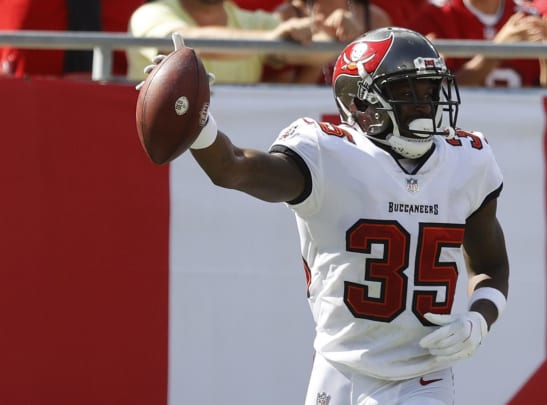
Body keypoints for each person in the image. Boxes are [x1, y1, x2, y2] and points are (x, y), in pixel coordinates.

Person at [143, 27, 510, 404]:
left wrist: (479, 318)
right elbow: (232, 168)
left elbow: (491, 266)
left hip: (422, 378)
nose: (424, 104)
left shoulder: (468, 160)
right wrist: (197, 122)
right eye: (406, 92)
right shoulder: (328, 155)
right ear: (359, 102)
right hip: (337, 369)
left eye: (429, 91)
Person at [126, 0, 321, 84]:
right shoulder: (150, 13)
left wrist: (344, 26)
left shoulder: (254, 22)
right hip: (166, 150)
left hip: (233, 151)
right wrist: (269, 40)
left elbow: (322, 51)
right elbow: (176, 44)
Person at [407, 0, 547, 88]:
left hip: (521, 133)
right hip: (462, 134)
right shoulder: (434, 16)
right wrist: (498, 50)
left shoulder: (528, 17)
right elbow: (444, 95)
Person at [266, 0, 392, 83]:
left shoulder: (375, 18)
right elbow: (286, 100)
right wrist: (327, 42)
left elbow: (385, 84)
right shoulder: (287, 16)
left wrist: (355, 39)